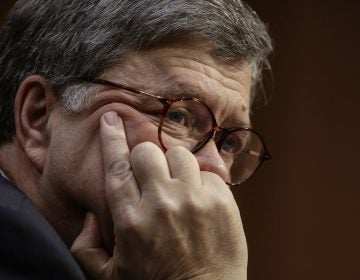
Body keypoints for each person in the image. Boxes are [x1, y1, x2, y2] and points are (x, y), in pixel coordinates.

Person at [0, 0, 272, 279]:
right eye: (178, 116)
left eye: (229, 144)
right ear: (39, 118)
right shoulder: (16, 247)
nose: (215, 168)